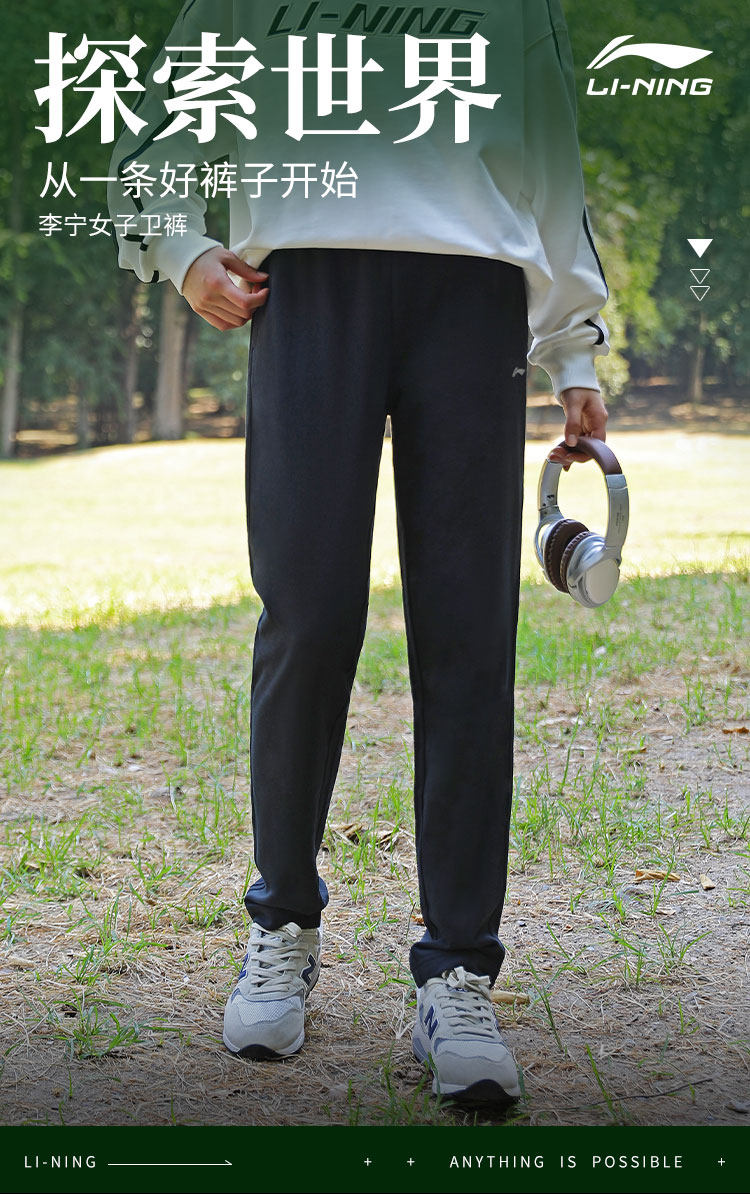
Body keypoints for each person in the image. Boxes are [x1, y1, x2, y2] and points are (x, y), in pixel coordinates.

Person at [109, 0, 609, 1106]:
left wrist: (574, 347)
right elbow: (152, 141)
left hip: (474, 290)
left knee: (469, 633)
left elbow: (549, 156)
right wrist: (184, 251)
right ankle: (282, 922)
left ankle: (459, 972)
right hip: (309, 285)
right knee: (309, 614)